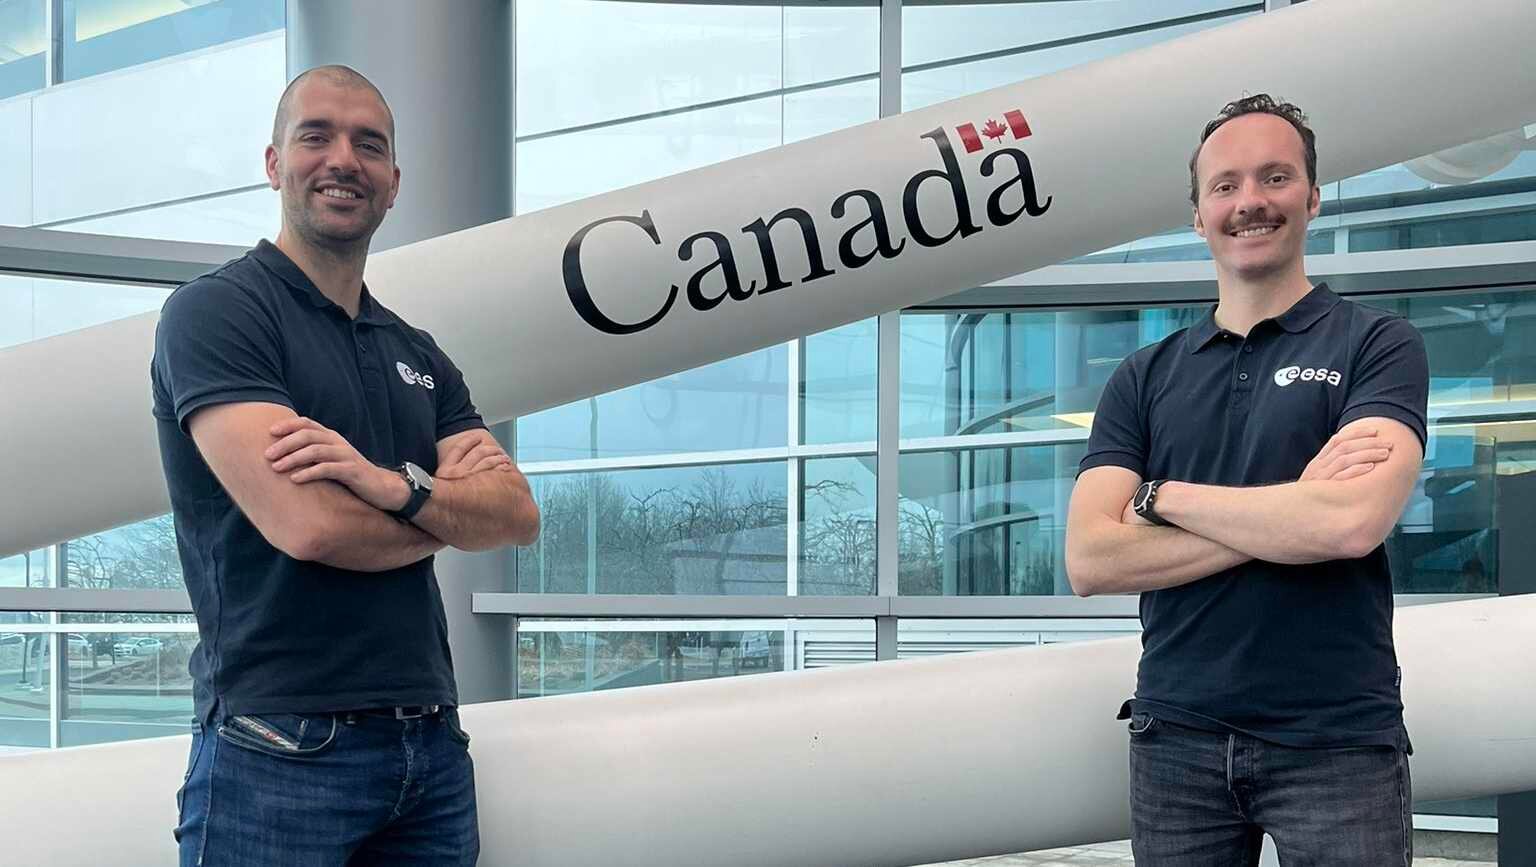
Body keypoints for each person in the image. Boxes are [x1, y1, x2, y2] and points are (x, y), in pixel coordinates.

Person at [151, 65, 539, 865]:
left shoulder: (415, 351)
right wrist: (440, 511)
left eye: (369, 144)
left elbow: (515, 517)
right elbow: (310, 523)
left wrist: (394, 485)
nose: (343, 159)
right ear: (273, 162)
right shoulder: (219, 314)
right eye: (316, 135)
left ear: (394, 182)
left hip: (428, 742)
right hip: (278, 744)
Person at [1065, 94, 1428, 865]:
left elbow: (1351, 524)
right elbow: (1092, 559)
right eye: (1225, 185)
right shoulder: (1143, 376)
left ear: (1313, 198)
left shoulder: (1379, 345)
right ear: (1197, 214)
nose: (1250, 201)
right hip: (1177, 739)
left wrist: (1162, 498)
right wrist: (1294, 509)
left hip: (1337, 743)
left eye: (1275, 177)